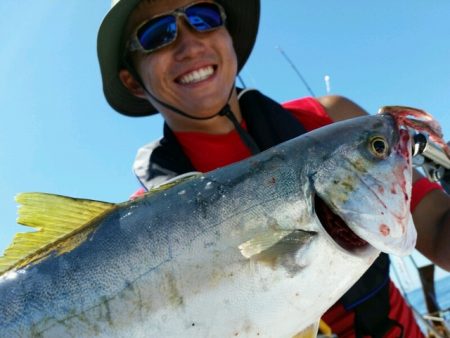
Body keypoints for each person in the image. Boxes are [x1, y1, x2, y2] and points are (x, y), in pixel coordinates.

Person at [97, 0, 450, 336]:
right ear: (132, 80)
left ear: (229, 35)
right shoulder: (135, 232)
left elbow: (436, 227)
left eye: (204, 16)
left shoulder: (334, 122)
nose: (189, 44)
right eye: (156, 34)